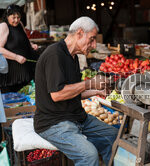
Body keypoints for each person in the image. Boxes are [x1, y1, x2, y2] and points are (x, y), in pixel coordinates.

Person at [34, 16, 118, 166]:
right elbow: (58, 94)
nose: (94, 44)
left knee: (112, 136)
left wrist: (94, 91)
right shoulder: (55, 54)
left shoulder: (72, 57)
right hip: (54, 123)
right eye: (92, 39)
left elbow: (72, 92)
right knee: (89, 155)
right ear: (79, 33)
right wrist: (90, 83)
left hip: (76, 118)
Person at [0, 4, 39, 93]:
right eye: (13, 17)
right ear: (7, 16)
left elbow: (24, 39)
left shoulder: (20, 24)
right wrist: (16, 57)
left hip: (24, 70)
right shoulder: (3, 26)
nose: (16, 20)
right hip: (11, 75)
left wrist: (31, 45)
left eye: (18, 17)